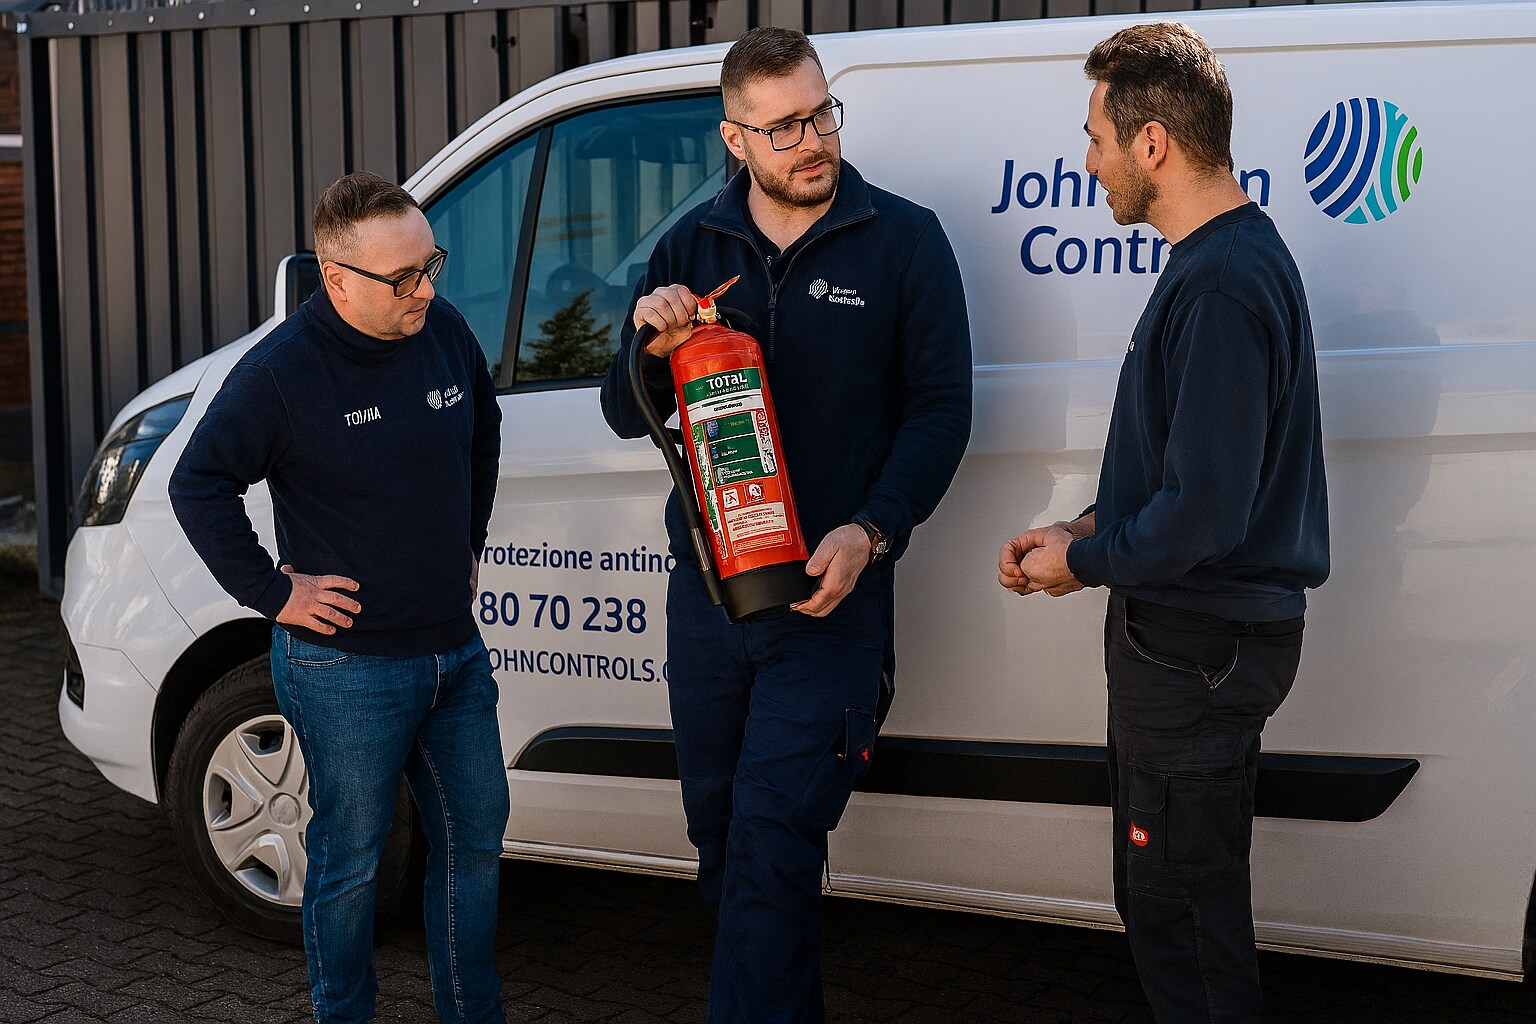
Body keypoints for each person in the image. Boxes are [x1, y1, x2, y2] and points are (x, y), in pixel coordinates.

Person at [599, 26, 972, 1024]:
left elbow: (941, 411)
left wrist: (873, 528)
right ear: (735, 138)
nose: (813, 141)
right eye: (785, 127)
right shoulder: (693, 247)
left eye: (821, 115)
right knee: (725, 845)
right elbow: (618, 405)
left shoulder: (903, 241)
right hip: (712, 605)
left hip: (830, 602)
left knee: (774, 841)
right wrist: (651, 342)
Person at [996, 23, 1329, 1024]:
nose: (1087, 160)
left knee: (1183, 922)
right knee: (1174, 905)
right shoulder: (1219, 261)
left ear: (1152, 144)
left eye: (1095, 136)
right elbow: (1185, 469)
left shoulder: (1224, 281)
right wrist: (1086, 525)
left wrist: (1084, 560)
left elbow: (1205, 514)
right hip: (1193, 649)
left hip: (1195, 652)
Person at [170, 171, 506, 1024]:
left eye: (431, 264)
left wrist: (468, 544)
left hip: (454, 655)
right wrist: (273, 593)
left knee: (475, 843)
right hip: (345, 668)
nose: (426, 288)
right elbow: (197, 482)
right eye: (404, 278)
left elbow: (483, 435)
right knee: (351, 862)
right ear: (337, 277)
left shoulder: (445, 329)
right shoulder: (283, 372)